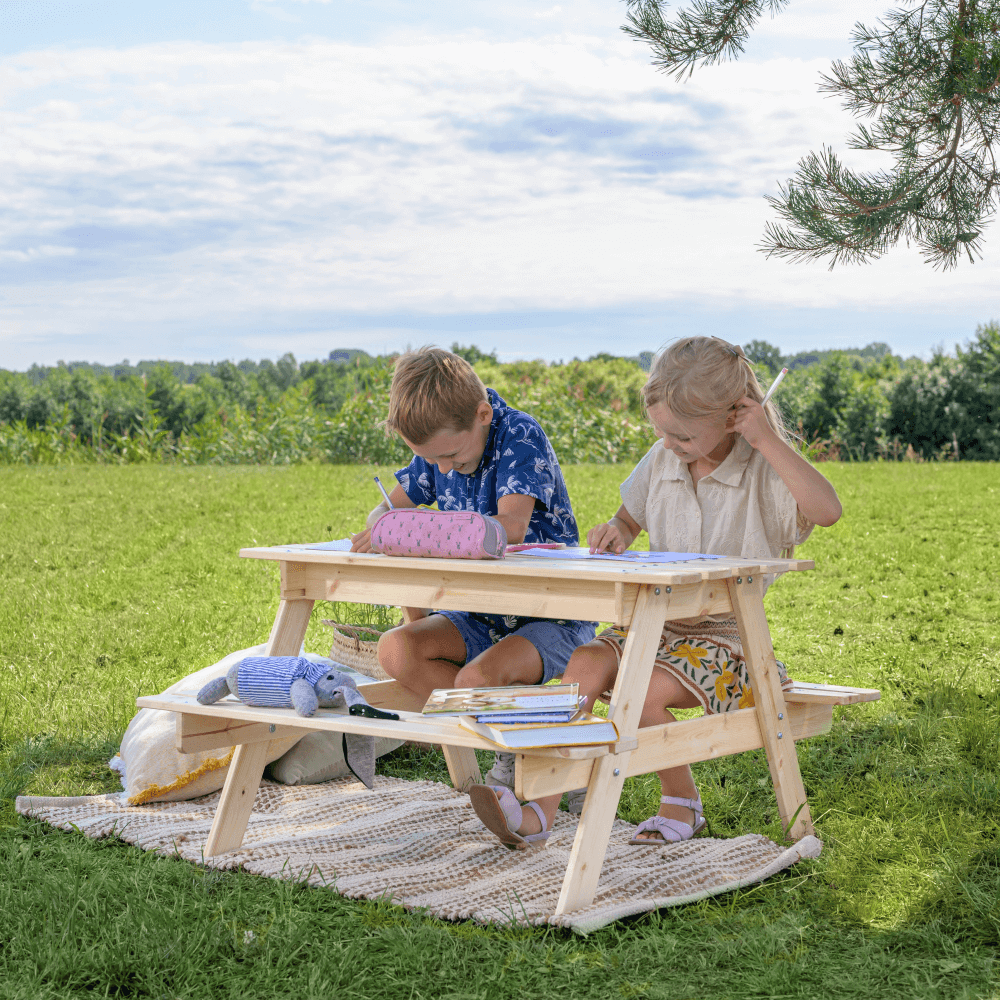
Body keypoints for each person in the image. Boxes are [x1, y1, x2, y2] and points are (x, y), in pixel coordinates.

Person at [468, 335, 843, 850]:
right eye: (662, 432)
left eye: (683, 436)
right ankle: (541, 810)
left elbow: (827, 511)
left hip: (730, 639)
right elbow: (629, 516)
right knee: (582, 664)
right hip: (655, 620)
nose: (669, 444)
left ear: (736, 416)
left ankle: (682, 804)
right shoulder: (664, 457)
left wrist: (766, 440)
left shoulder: (763, 469)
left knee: (637, 692)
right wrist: (618, 531)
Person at [351, 347, 596, 791]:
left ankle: (539, 762)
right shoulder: (441, 446)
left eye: (452, 459)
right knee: (396, 651)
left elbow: (512, 528)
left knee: (475, 680)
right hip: (482, 614)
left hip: (551, 612)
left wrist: (412, 531)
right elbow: (384, 512)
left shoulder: (518, 434)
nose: (442, 469)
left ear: (482, 414)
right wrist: (382, 526)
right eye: (431, 460)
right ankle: (522, 747)